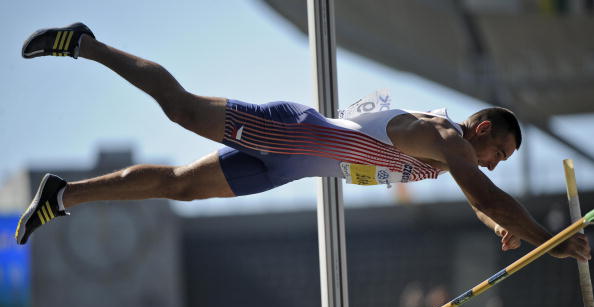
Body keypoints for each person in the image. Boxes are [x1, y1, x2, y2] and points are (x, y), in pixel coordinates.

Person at [14, 23, 591, 263]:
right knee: (182, 108)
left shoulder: (450, 157)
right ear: (482, 130)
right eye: (501, 153)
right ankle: (88, 44)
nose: (498, 164)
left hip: (289, 168)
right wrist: (554, 244)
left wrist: (498, 227)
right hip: (292, 134)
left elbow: (480, 200)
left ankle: (63, 196)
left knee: (180, 188)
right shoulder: (446, 138)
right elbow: (486, 194)